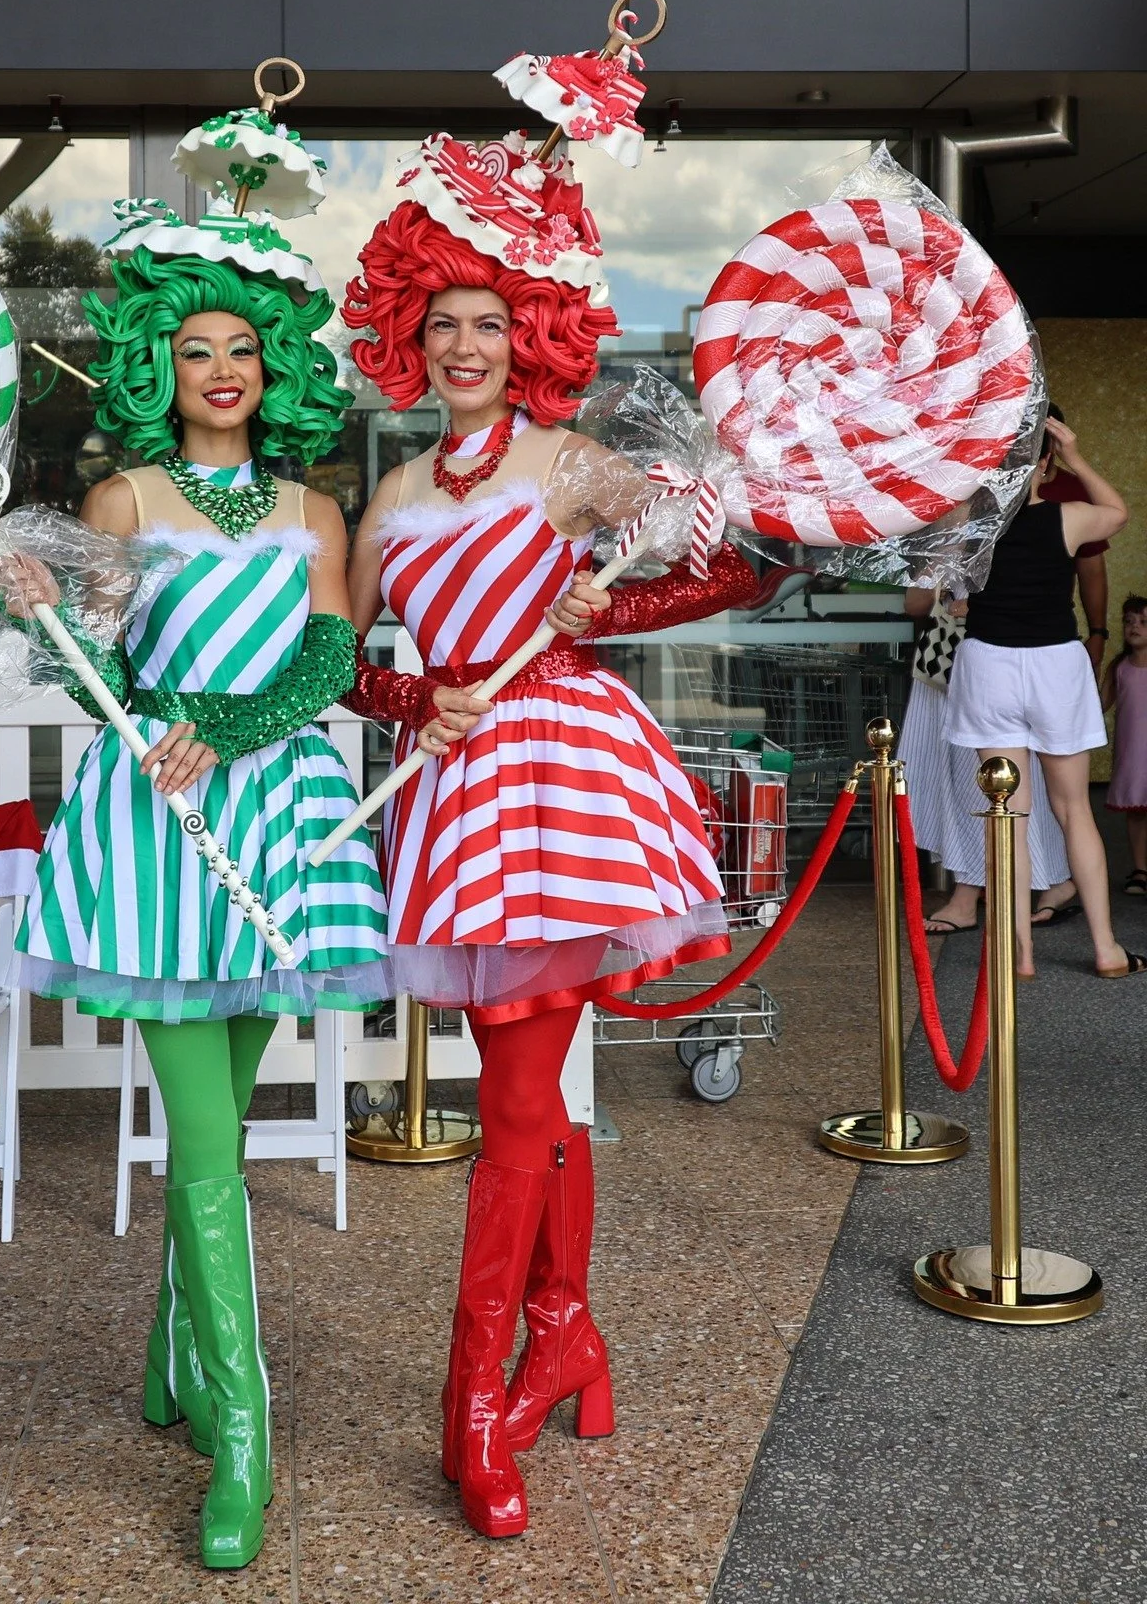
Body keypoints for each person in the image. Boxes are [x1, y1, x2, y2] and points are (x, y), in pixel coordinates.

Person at [340, 131, 757, 1540]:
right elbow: (338, 663)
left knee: (518, 1099)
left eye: (490, 323)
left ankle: (473, 1410)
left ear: (532, 336)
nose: (465, 345)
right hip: (457, 790)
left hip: (573, 783)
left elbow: (724, 567)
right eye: (443, 322)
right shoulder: (389, 498)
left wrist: (608, 609)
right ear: (412, 336)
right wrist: (418, 695)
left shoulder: (575, 462)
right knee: (537, 1092)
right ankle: (567, 1337)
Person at [6, 202, 391, 1570]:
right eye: (192, 351)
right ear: (158, 368)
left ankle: (174, 1346)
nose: (219, 371)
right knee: (210, 1141)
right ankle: (245, 1437)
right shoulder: (123, 501)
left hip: (276, 821)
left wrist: (229, 726)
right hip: (160, 831)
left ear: (272, 363)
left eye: (240, 349)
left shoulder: (311, 507)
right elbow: (93, 671)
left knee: (220, 1113)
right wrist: (39, 605)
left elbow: (331, 658)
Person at [945, 412, 1133, 980]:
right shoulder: (1069, 518)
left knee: (1009, 818)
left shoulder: (966, 524)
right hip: (1055, 666)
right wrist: (1075, 456)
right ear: (1043, 466)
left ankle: (1018, 953)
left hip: (988, 666)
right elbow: (1118, 513)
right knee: (1075, 810)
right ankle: (1106, 949)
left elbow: (932, 563)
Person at [900, 587, 1078, 933]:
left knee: (988, 780)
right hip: (957, 661)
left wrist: (976, 603)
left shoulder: (1014, 536)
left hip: (1000, 657)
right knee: (981, 778)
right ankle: (1048, 877)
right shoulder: (947, 540)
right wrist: (940, 555)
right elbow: (915, 604)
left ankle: (971, 893)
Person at [1038, 401, 1112, 671]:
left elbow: (1091, 569)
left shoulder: (1074, 489)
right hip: (993, 624)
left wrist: (1098, 633)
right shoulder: (993, 490)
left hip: (1053, 624)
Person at [1103, 594, 1147, 896]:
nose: (1134, 627)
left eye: (1143, 622)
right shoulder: (1119, 667)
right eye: (1129, 621)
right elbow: (1099, 705)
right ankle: (1140, 868)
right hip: (1133, 754)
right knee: (1137, 811)